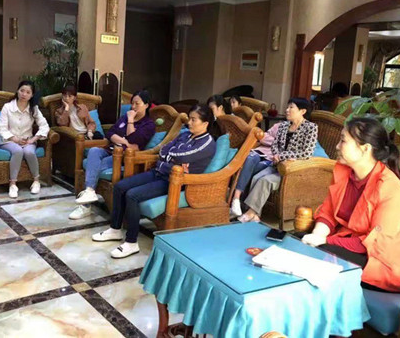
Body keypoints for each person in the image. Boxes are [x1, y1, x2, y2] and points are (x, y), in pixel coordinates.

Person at [92, 104, 217, 258]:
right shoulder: (185, 135)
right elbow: (164, 149)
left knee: (132, 195)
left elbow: (182, 156)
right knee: (119, 186)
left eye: (193, 120)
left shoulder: (207, 143)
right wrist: (172, 159)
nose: (189, 123)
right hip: (160, 171)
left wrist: (171, 158)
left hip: (175, 182)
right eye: (189, 119)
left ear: (205, 123)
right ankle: (115, 229)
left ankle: (131, 242)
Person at [302, 118, 400, 292]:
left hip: (379, 257)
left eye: (343, 141)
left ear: (365, 149)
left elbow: (375, 242)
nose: (337, 146)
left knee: (321, 254)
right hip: (347, 241)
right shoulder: (344, 171)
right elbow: (328, 211)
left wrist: (324, 240)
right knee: (298, 241)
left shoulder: (391, 188)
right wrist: (317, 235)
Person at [69, 90, 156, 220]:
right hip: (110, 149)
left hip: (122, 157)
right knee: (94, 151)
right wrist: (124, 141)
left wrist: (131, 121)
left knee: (93, 167)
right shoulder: (124, 117)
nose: (133, 107)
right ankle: (90, 192)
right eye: (132, 103)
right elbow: (110, 133)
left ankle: (85, 206)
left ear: (146, 105)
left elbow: (134, 139)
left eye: (137, 104)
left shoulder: (148, 124)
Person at [238, 98, 318, 222]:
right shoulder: (284, 125)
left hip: (293, 169)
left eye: (291, 107)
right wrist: (276, 155)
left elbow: (306, 152)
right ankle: (255, 215)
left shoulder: (311, 128)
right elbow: (275, 144)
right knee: (256, 177)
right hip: (277, 165)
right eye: (287, 107)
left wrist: (282, 156)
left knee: (265, 181)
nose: (287, 110)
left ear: (302, 111)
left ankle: (250, 213)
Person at [0, 80, 49, 199]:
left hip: (27, 141)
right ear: (17, 91)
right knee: (18, 151)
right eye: (22, 91)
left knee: (29, 152)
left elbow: (44, 125)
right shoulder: (7, 107)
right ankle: (13, 184)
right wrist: (15, 139)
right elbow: (2, 128)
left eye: (28, 92)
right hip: (9, 140)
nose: (24, 94)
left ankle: (36, 181)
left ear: (31, 95)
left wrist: (34, 139)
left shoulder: (34, 109)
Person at [229, 122, 280, 217]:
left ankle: (239, 204)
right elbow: (262, 137)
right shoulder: (279, 126)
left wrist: (274, 142)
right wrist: (277, 142)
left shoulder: (298, 132)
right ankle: (236, 198)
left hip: (271, 159)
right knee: (250, 158)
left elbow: (286, 147)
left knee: (253, 169)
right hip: (260, 151)